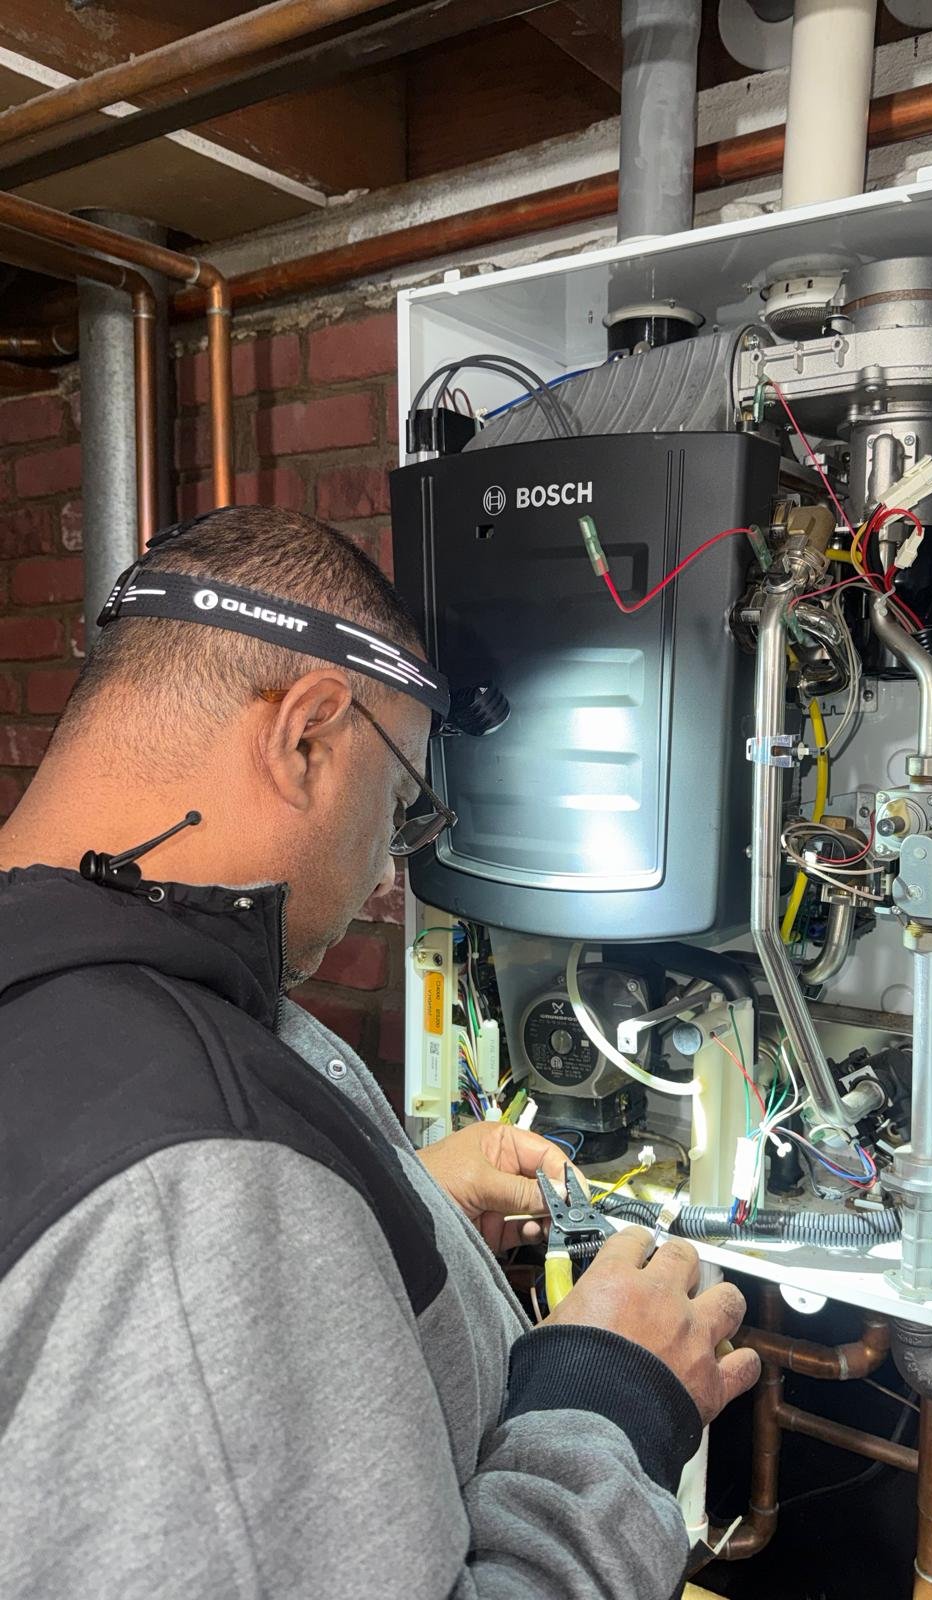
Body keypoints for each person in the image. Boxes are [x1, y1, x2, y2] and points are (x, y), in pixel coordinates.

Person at [0, 505, 760, 1600]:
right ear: (305, 732)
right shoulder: (197, 1188)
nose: (388, 875)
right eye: (400, 802)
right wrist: (610, 1398)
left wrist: (391, 1199)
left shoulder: (89, 977)